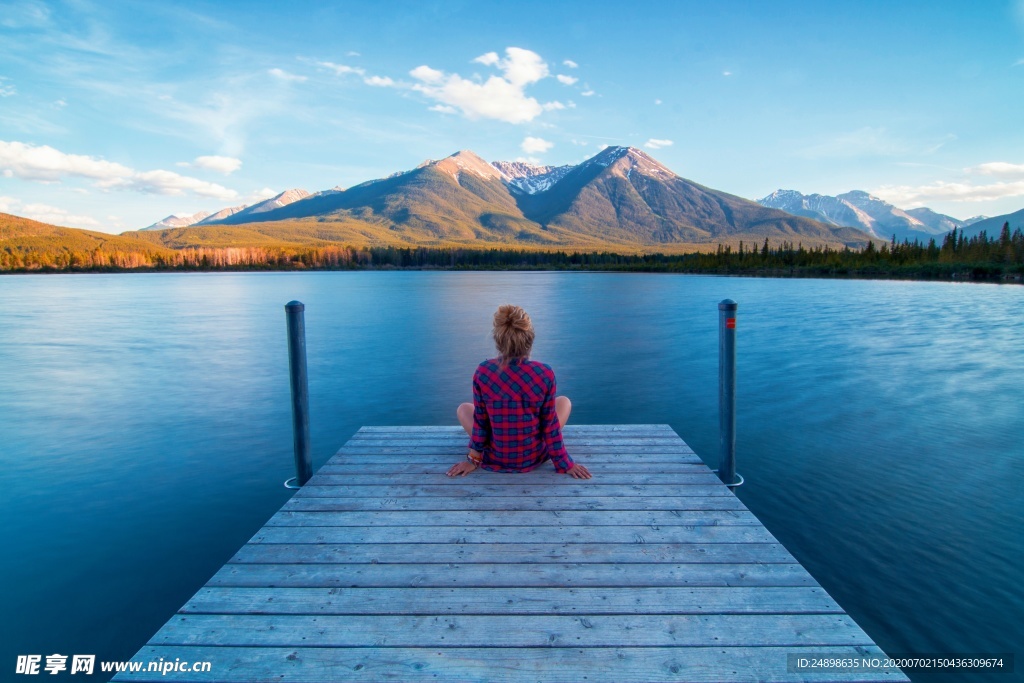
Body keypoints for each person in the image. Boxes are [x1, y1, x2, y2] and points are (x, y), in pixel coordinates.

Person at [447, 304, 592, 479]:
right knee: (564, 402)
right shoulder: (544, 373)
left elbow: (481, 422)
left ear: (498, 340)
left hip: (495, 456)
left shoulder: (483, 371)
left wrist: (473, 460)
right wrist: (565, 463)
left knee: (464, 408)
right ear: (530, 339)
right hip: (532, 456)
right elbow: (550, 425)